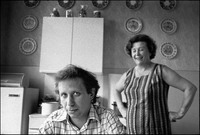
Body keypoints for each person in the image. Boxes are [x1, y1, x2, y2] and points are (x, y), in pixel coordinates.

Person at [114, 34, 197, 134]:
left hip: (157, 128)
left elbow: (190, 88)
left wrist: (180, 113)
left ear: (150, 51)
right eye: (134, 50)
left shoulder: (161, 71)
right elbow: (116, 90)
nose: (137, 53)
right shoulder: (127, 75)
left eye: (141, 49)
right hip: (132, 129)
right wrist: (122, 108)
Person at [39, 64, 126, 134]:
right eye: (64, 95)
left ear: (91, 94)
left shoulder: (107, 118)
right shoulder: (52, 121)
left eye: (76, 94)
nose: (69, 103)